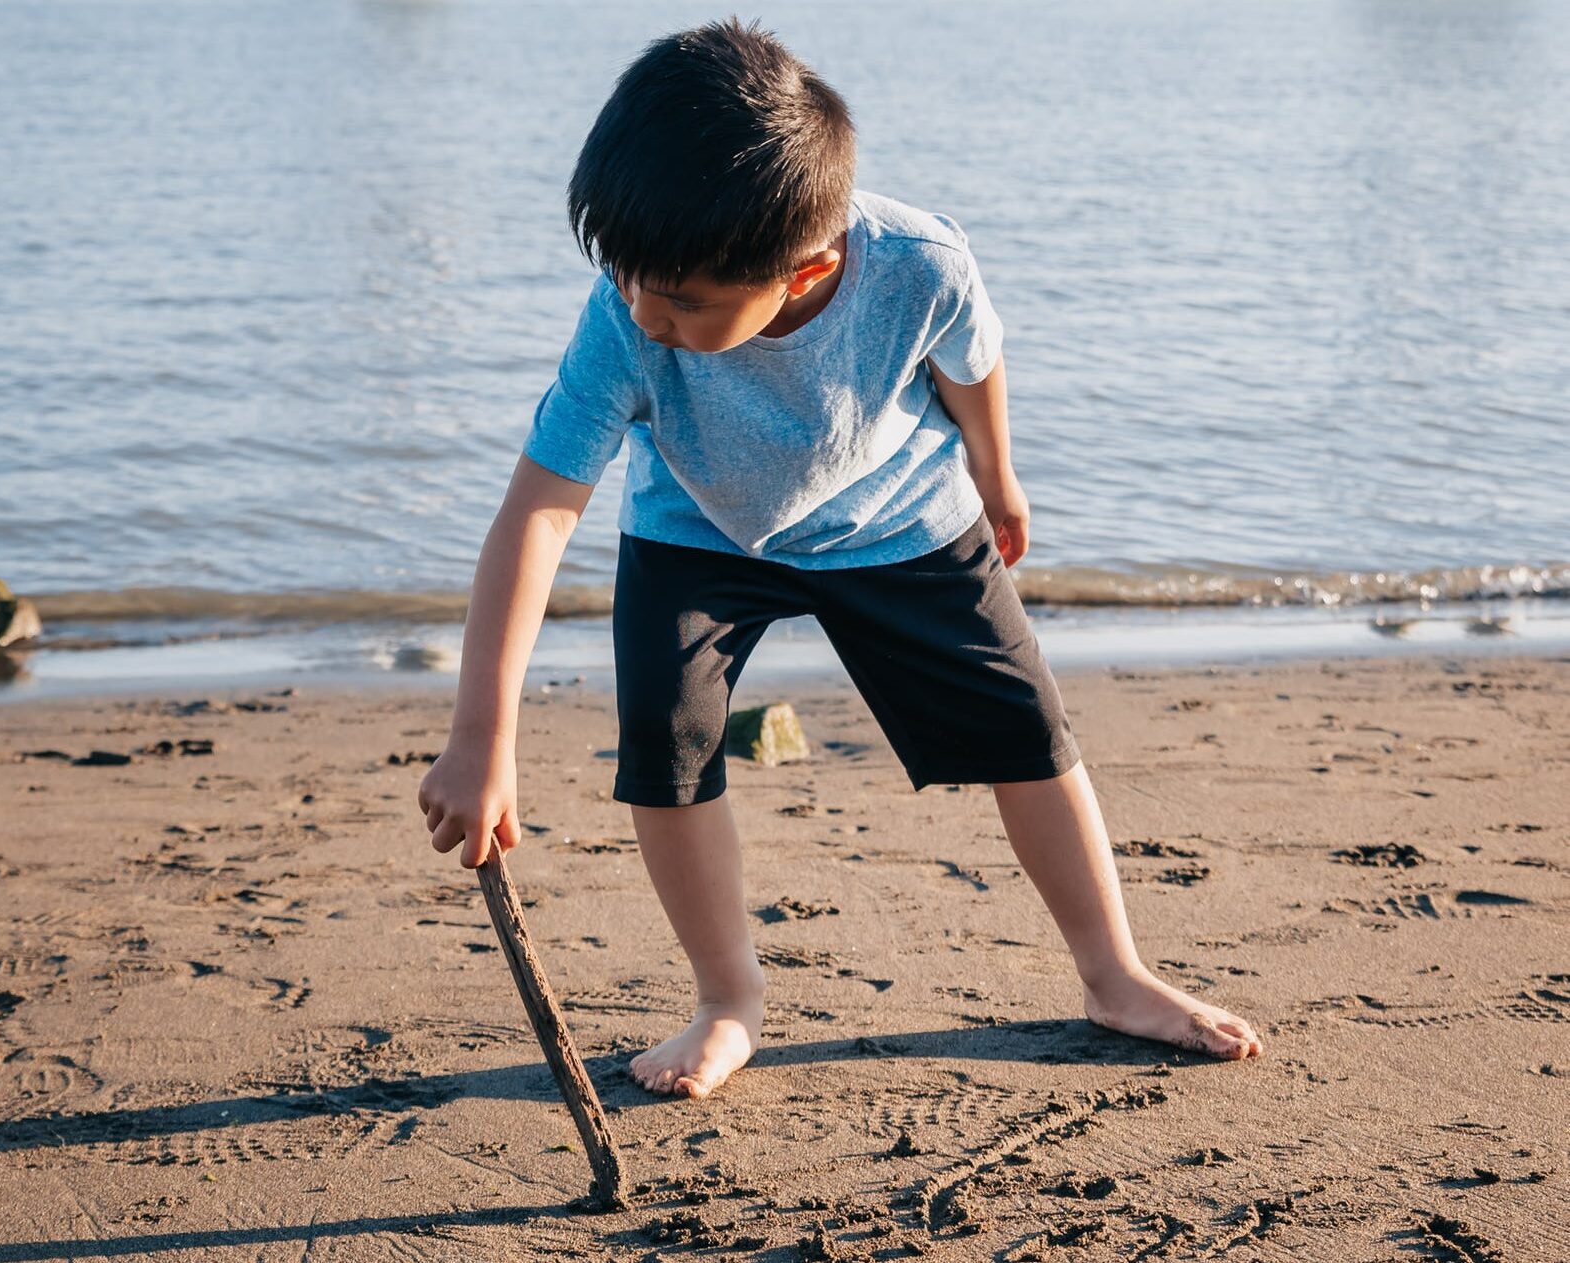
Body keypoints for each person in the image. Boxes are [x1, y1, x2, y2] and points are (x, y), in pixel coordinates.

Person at [415, 18, 1262, 1100]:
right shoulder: (626, 317)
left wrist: (999, 478)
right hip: (699, 526)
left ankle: (1115, 974)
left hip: (897, 514)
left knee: (1027, 733)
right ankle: (728, 999)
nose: (645, 314)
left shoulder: (919, 266)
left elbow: (973, 366)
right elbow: (537, 512)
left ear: (806, 267)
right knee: (666, 748)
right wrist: (482, 737)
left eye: (682, 302)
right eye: (629, 279)